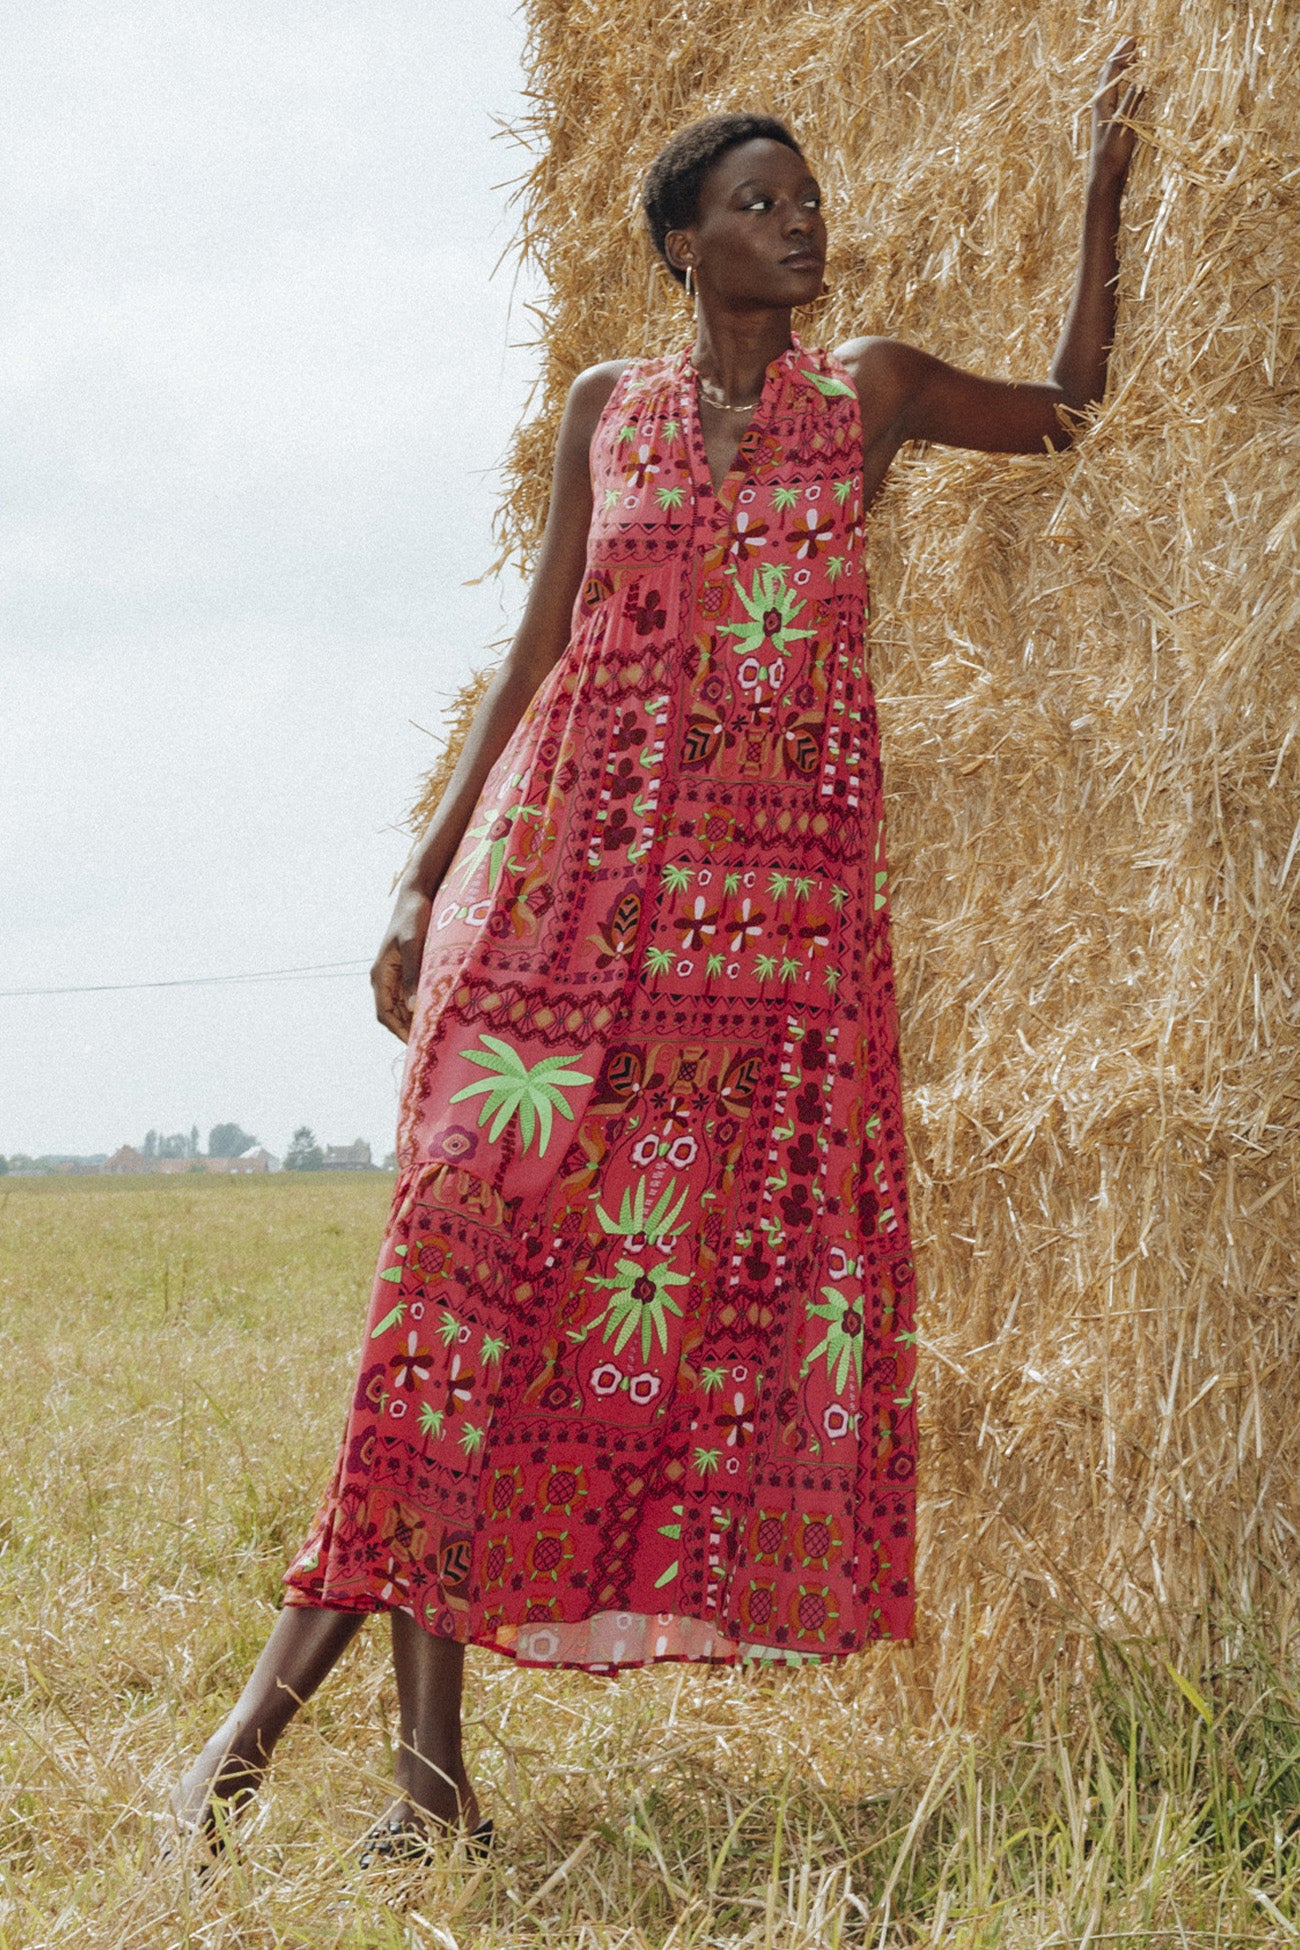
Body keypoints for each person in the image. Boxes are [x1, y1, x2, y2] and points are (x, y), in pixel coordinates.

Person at [171, 42, 1143, 1864]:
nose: (801, 224)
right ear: (683, 241)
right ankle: (324, 1753)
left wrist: (1097, 193)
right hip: (558, 918)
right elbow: (536, 648)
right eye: (760, 204)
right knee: (446, 1297)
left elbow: (1072, 408)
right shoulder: (606, 408)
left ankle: (395, 1787)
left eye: (808, 201)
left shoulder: (869, 397)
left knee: (576, 1340)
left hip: (761, 978)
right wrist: (417, 874)